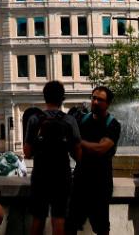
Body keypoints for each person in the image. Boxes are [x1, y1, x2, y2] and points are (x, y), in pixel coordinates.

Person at [23, 80, 81, 235]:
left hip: (40, 174)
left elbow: (27, 153)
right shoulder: (69, 120)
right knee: (59, 219)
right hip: (62, 174)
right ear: (62, 98)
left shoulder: (35, 119)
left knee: (38, 218)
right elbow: (78, 153)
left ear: (45, 97)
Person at [68, 86, 121, 235]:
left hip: (101, 184)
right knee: (70, 225)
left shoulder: (113, 125)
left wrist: (79, 142)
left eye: (100, 99)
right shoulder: (82, 120)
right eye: (93, 98)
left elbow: (100, 149)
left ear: (108, 103)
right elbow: (73, 150)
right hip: (80, 181)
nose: (95, 102)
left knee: (101, 228)